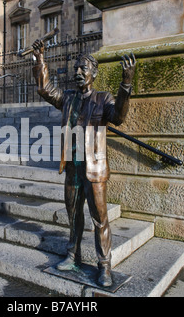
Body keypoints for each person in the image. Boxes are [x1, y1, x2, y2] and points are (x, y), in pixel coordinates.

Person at [32, 40, 136, 287]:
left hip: (94, 169)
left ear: (94, 73)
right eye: (76, 69)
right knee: (73, 214)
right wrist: (40, 60)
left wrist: (126, 83)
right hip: (72, 167)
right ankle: (73, 255)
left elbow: (119, 117)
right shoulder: (67, 97)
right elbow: (45, 88)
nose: (78, 73)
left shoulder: (104, 98)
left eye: (83, 69)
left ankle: (105, 266)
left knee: (99, 219)